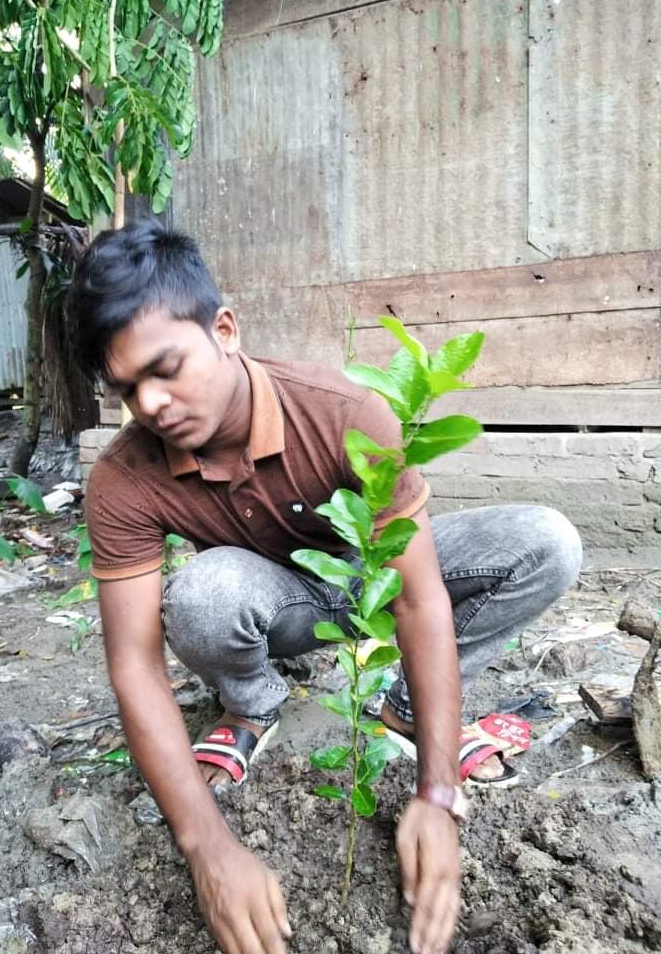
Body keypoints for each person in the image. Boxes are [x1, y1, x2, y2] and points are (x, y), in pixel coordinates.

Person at [67, 220, 583, 954]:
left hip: (371, 576)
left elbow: (416, 598)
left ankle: (400, 703)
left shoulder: (346, 413)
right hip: (281, 599)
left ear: (224, 329)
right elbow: (134, 666)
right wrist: (208, 849)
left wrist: (436, 793)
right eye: (128, 389)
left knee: (546, 543)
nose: (152, 404)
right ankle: (255, 704)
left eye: (166, 367)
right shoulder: (123, 479)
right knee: (203, 593)